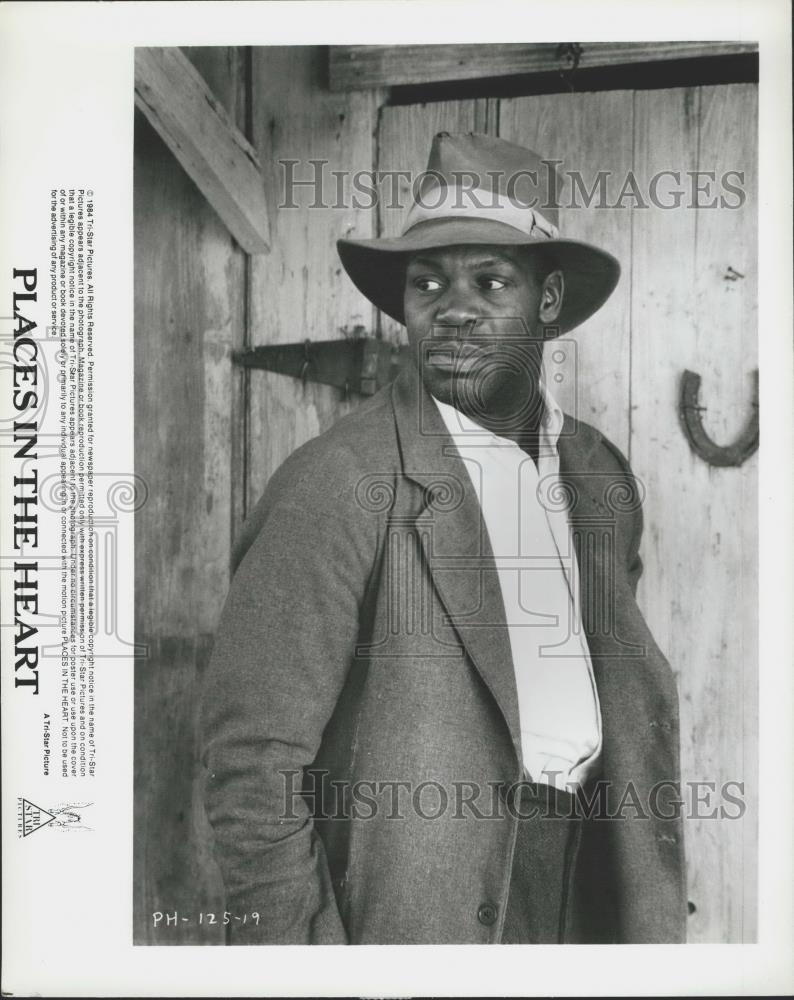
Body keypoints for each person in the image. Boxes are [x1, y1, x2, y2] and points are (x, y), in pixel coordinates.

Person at [199, 132, 686, 945]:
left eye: (491, 281)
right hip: (424, 906)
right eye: (428, 282)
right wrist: (311, 967)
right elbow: (252, 765)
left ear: (551, 301)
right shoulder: (338, 481)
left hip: (593, 885)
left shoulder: (597, 472)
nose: (453, 307)